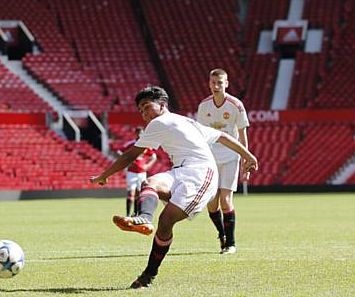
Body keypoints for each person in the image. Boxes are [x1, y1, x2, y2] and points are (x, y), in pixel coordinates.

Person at [90, 86, 257, 289]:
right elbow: (222, 137)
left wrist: (104, 176)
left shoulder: (160, 122)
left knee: (166, 220)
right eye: (140, 111)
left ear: (162, 105)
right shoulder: (186, 121)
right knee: (149, 183)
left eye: (146, 107)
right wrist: (248, 155)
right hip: (181, 171)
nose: (143, 114)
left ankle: (148, 275)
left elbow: (129, 155)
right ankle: (144, 219)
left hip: (201, 174)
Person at [197, 68, 250, 254]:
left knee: (226, 200)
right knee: (212, 203)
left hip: (230, 157)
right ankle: (222, 235)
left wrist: (246, 159)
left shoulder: (236, 105)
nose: (216, 86)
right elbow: (200, 136)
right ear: (209, 84)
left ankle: (231, 244)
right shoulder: (204, 106)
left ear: (226, 84)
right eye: (213, 82)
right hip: (210, 158)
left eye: (220, 83)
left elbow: (243, 135)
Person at [118, 127, 157, 216]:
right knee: (130, 193)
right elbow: (120, 152)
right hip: (131, 172)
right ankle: (127, 214)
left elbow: (154, 157)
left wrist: (148, 165)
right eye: (138, 133)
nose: (140, 135)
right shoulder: (131, 144)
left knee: (139, 193)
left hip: (142, 173)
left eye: (141, 133)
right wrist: (127, 162)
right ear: (135, 134)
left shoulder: (147, 145)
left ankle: (135, 213)